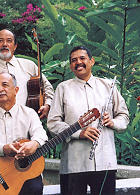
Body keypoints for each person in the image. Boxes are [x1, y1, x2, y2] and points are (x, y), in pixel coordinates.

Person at [47, 46, 129, 195]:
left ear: (92, 61)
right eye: (73, 60)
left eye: (82, 58)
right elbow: (53, 123)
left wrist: (113, 122)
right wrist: (79, 133)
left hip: (105, 162)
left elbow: (123, 116)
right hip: (74, 164)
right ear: (71, 65)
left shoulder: (108, 86)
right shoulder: (63, 88)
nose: (78, 62)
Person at [0, 29, 54, 119]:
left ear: (15, 46)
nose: (5, 44)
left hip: (27, 124)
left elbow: (48, 88)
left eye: (9, 41)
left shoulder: (29, 66)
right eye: (0, 41)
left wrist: (47, 105)